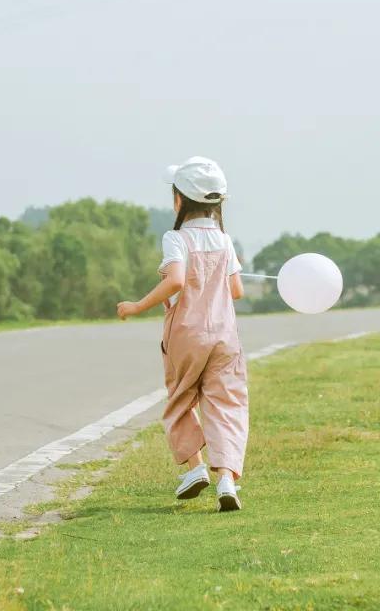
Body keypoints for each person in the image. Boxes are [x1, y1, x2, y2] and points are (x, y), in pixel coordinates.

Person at [116, 157, 248, 511]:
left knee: (180, 398)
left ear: (179, 200)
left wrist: (136, 306)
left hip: (186, 334)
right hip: (224, 335)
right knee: (226, 404)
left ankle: (195, 468)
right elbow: (236, 291)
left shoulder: (176, 238)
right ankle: (226, 481)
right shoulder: (224, 239)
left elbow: (175, 280)